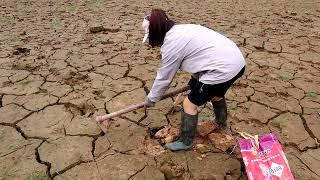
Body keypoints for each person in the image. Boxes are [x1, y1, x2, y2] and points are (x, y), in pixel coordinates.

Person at [142, 9, 246, 151]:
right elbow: (202, 56)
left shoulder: (172, 44)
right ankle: (221, 124)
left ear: (156, 32)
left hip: (222, 69)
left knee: (189, 104)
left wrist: (152, 98)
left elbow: (164, 76)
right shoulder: (184, 29)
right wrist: (195, 81)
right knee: (216, 94)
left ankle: (185, 142)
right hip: (237, 64)